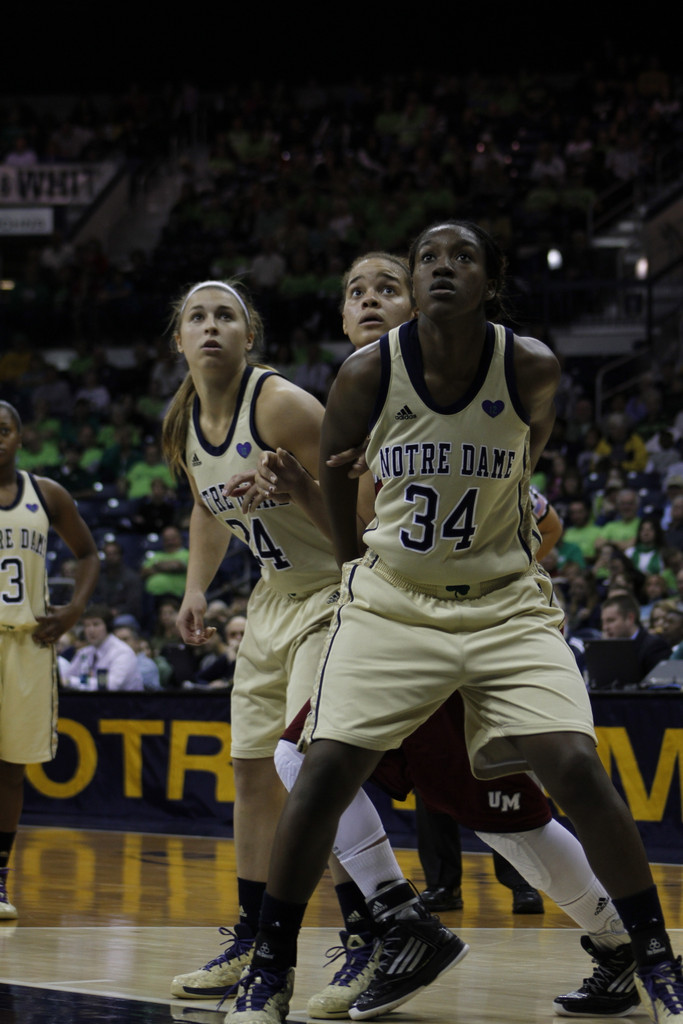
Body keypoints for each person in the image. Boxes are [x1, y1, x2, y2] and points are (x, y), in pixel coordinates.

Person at [227, 222, 682, 1024]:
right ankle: (283, 960)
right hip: (395, 606)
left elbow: (526, 485)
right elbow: (342, 493)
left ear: (490, 279)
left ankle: (645, 957)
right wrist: (348, 565)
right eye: (422, 260)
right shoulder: (364, 377)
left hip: (501, 606)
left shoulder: (528, 366)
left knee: (557, 777)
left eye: (459, 257)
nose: (438, 270)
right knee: (316, 762)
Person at [161, 280, 369, 1001]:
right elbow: (206, 507)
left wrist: (293, 490)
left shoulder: (279, 404)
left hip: (334, 592)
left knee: (309, 766)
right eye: (197, 317)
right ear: (178, 340)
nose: (211, 326)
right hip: (272, 599)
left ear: (250, 336)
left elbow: (360, 510)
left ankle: (366, 935)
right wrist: (194, 588)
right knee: (251, 771)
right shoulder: (184, 421)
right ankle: (249, 942)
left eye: (226, 316)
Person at [0, 400, 99, 918]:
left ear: (21, 437)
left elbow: (87, 554)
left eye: (5, 429)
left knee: (12, 769)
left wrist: (74, 609)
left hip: (25, 643)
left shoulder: (46, 494)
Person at [65, 604, 143, 690]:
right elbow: (66, 677)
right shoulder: (85, 652)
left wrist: (71, 682)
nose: (91, 630)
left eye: (96, 624)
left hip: (124, 702)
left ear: (108, 626)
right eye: (87, 625)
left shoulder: (122, 652)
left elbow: (110, 686)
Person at [600, 593, 672, 680]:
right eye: (603, 622)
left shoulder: (655, 646)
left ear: (630, 618)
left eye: (611, 620)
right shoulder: (605, 648)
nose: (605, 627)